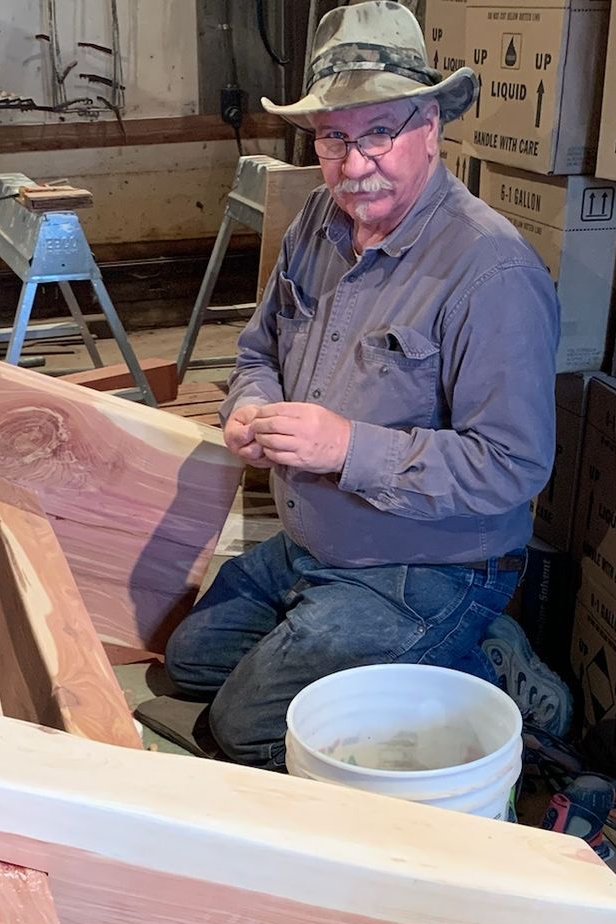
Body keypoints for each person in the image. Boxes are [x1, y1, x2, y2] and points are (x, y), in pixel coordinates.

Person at [164, 0, 573, 768]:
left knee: (244, 729)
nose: (355, 166)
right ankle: (455, 652)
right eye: (334, 138)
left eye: (379, 133)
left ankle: (472, 652)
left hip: (429, 561)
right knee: (189, 661)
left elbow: (513, 465)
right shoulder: (317, 221)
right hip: (312, 548)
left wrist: (347, 446)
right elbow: (259, 349)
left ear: (431, 128)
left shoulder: (492, 272)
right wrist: (247, 404)